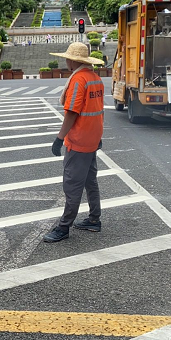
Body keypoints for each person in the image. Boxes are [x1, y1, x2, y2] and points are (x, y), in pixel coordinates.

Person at [43, 42, 105, 243]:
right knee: (90, 181)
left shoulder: (78, 80)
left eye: (67, 58)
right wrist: (98, 137)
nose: (66, 61)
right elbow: (97, 112)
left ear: (73, 61)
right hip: (92, 139)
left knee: (72, 185)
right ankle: (94, 219)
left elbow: (71, 112)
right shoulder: (95, 78)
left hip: (78, 141)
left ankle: (63, 227)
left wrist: (59, 138)